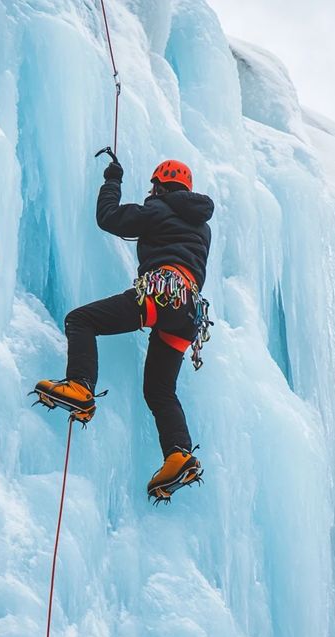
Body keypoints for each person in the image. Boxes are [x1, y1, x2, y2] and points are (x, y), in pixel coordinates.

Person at [34, 159, 214, 503]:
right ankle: (178, 454)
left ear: (160, 185)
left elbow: (109, 217)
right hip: (188, 313)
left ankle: (80, 386)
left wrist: (112, 180)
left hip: (163, 293)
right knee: (159, 391)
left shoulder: (158, 209)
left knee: (80, 320)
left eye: (153, 187)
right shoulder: (202, 226)